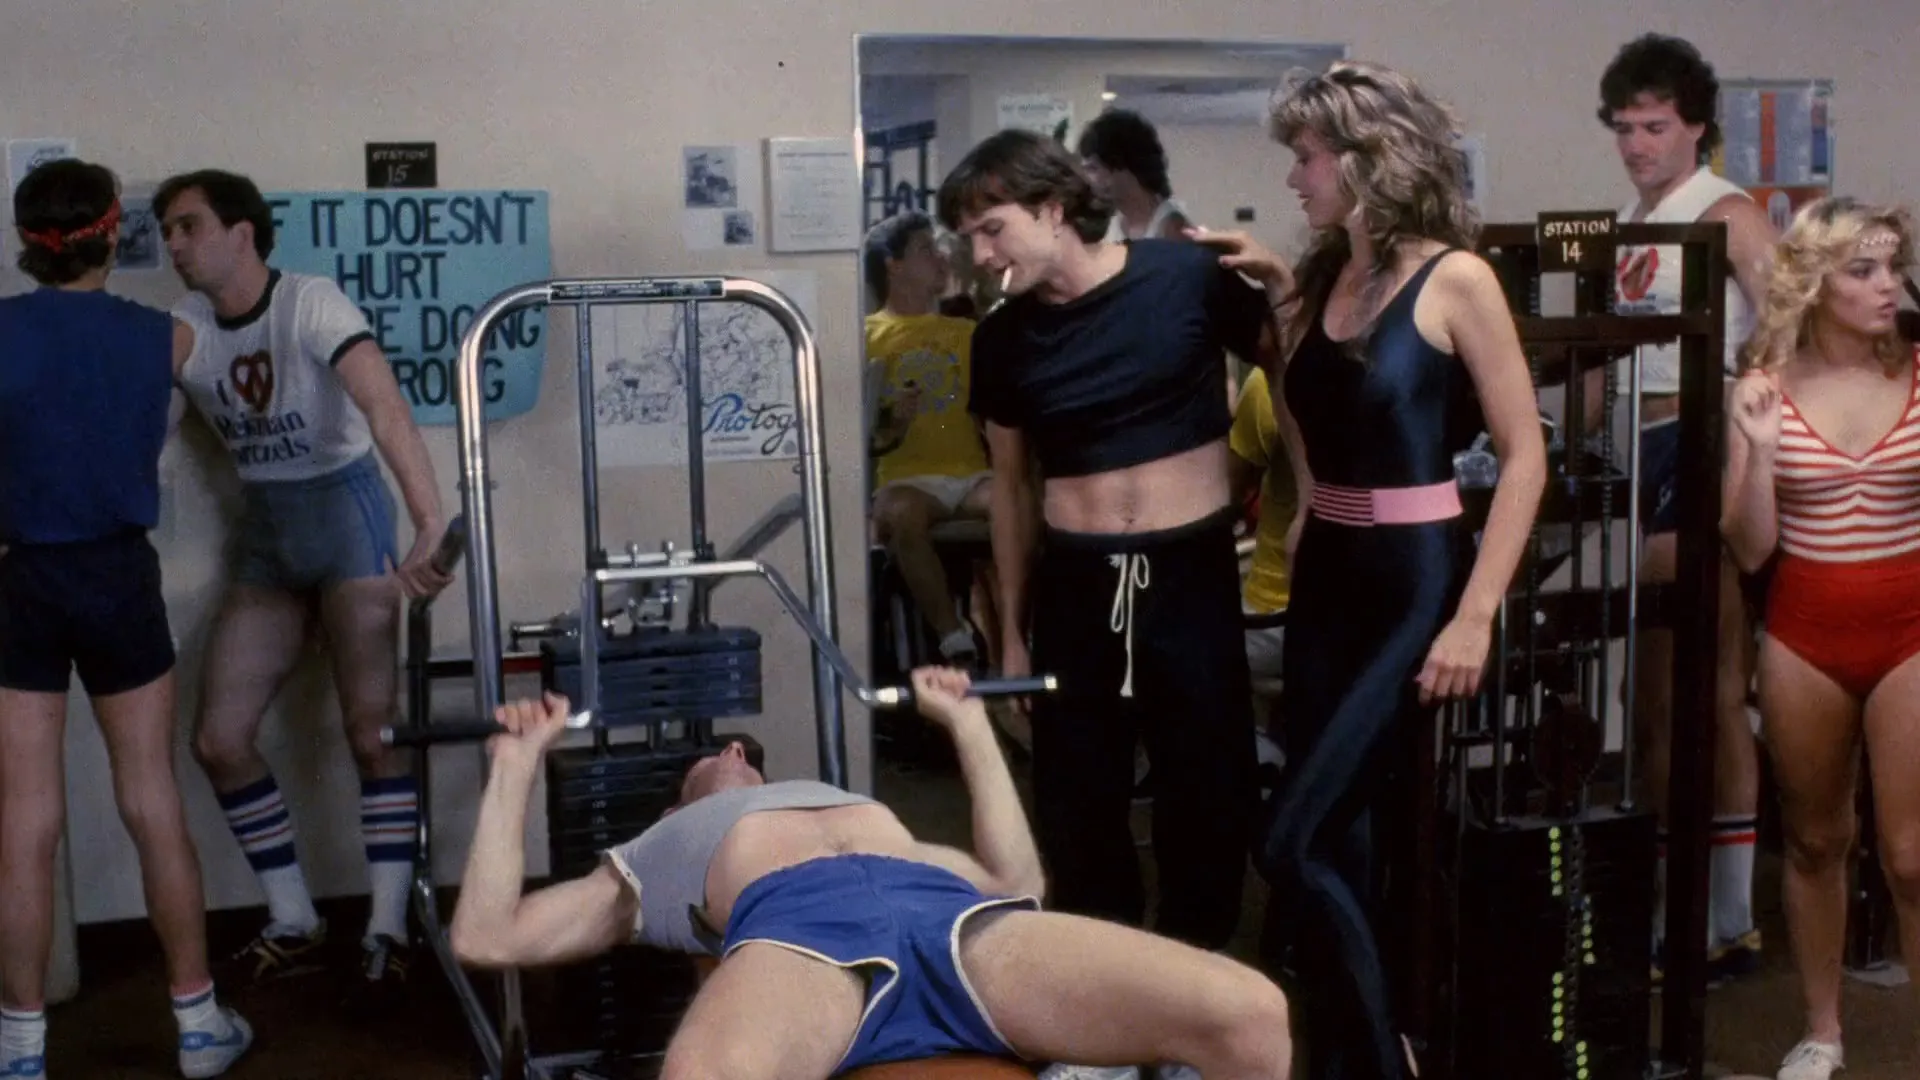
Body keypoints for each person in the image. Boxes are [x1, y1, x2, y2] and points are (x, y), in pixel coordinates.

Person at [1193, 59, 1547, 1080]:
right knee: (1340, 844)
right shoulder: (1320, 281)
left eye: (1306, 157)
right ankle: (1357, 1056)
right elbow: (1310, 415)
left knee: (1289, 841)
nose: (1293, 177)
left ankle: (1389, 1063)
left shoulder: (1458, 278)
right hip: (1330, 579)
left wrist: (1474, 615)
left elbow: (1526, 454)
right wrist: (1310, 504)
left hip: (1413, 582)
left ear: (1364, 160)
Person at [446, 672, 1295, 1080]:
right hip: (804, 946)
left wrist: (967, 723)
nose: (730, 751)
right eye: (706, 761)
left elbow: (1017, 881)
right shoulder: (654, 852)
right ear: (677, 806)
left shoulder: (866, 812)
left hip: (961, 928)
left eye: (739, 750)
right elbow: (485, 937)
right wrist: (514, 768)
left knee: (1252, 1015)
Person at [934, 127, 1277, 952]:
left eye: (992, 229)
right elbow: (1013, 489)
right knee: (1076, 801)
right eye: (968, 238)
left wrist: (1310, 503)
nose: (980, 255)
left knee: (1209, 790)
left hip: (1188, 572)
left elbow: (1290, 375)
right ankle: (1103, 986)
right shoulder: (1001, 340)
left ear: (1054, 209)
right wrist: (1011, 632)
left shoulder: (1185, 278)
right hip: (1077, 583)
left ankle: (1193, 979)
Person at [154, 169, 455, 996]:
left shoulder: (309, 302)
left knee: (372, 733)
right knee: (219, 740)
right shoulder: (185, 326)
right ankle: (294, 917)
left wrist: (429, 522)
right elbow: (147, 428)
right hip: (268, 533)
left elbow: (385, 407)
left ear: (241, 232)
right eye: (166, 231)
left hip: (345, 515)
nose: (174, 245)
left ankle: (388, 925)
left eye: (188, 226)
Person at [0, 159, 252, 1079]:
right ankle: (199, 1027)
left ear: (27, 242)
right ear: (113, 235)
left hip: (22, 579)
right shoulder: (166, 339)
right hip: (117, 577)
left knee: (24, 820)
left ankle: (19, 1052)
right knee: (151, 799)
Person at [1594, 33, 1781, 983]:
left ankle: (1711, 916)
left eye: (1655, 127)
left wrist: (1745, 435)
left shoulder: (1727, 210)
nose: (1637, 144)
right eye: (1625, 127)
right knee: (1666, 692)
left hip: (1701, 446)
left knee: (1692, 687)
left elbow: (1788, 322)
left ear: (1696, 127)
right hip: (1640, 450)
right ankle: (1705, 911)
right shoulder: (1636, 219)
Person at [1721, 196, 1920, 1080]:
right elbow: (1750, 546)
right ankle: (1823, 1031)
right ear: (1816, 282)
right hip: (1804, 633)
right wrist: (1760, 449)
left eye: (1894, 267)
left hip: (1910, 626)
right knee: (1812, 840)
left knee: (1911, 854)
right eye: (1864, 270)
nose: (1889, 286)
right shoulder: (1765, 381)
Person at [864, 212, 994, 668]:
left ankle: (1016, 638)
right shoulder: (866, 336)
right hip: (908, 479)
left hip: (971, 475)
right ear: (893, 264)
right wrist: (890, 420)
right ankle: (953, 638)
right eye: (925, 249)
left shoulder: (968, 332)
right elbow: (861, 435)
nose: (940, 258)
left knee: (1016, 505)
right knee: (901, 514)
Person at [1076, 109, 1193, 243]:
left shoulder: (1172, 229)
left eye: (1093, 168)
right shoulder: (1113, 223)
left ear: (1123, 167)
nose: (1087, 179)